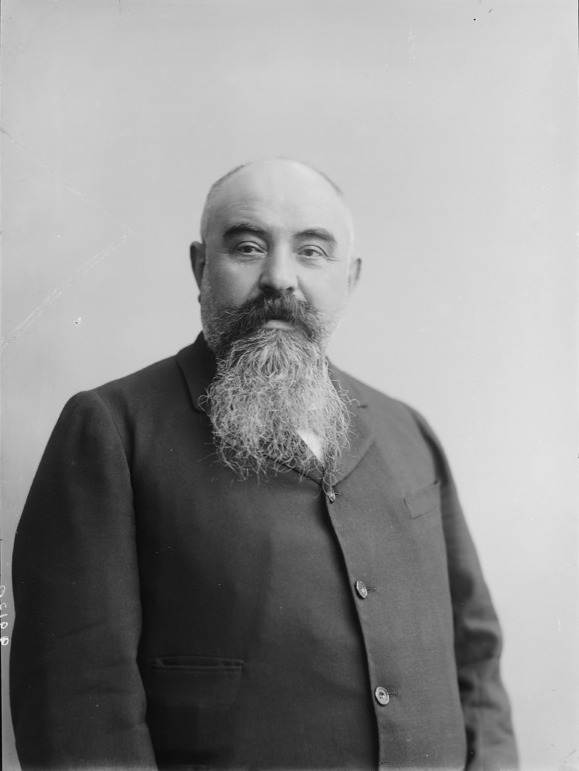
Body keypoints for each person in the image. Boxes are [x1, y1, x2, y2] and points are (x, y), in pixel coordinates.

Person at [10, 158, 518, 770]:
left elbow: (476, 654)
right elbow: (76, 706)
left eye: (312, 251)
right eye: (248, 247)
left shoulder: (406, 429)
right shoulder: (113, 428)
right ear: (201, 268)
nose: (279, 278)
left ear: (350, 277)